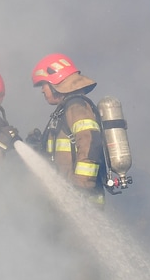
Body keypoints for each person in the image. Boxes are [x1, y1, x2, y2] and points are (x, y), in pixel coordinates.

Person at [30, 53, 110, 202]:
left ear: (56, 82)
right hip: (70, 197)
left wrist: (80, 186)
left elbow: (90, 143)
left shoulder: (76, 106)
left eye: (43, 85)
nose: (42, 90)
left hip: (84, 200)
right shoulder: (65, 109)